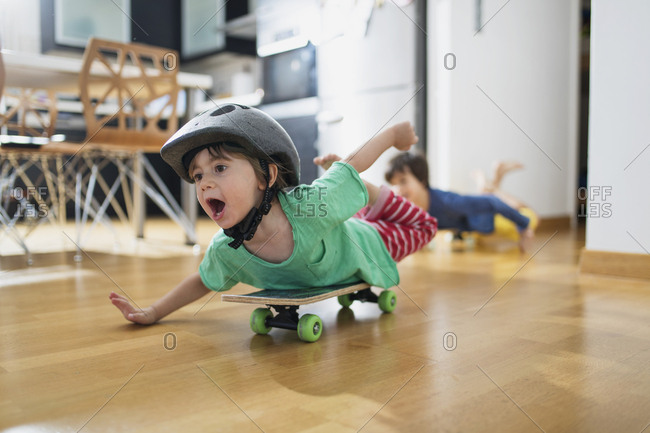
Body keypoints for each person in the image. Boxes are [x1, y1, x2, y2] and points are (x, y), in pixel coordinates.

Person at [110, 105, 437, 325]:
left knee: (425, 225)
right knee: (340, 191)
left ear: (265, 177)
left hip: (370, 243)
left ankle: (360, 190)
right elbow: (203, 280)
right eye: (197, 176)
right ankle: (349, 192)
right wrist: (153, 312)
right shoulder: (227, 251)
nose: (205, 182)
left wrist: (393, 136)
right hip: (338, 229)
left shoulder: (307, 207)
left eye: (220, 168)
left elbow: (352, 162)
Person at [384, 152, 537, 253]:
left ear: (422, 180)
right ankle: (487, 184)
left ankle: (491, 184)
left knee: (531, 216)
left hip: (490, 221)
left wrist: (524, 226)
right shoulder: (408, 209)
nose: (398, 189)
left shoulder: (448, 202)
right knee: (481, 206)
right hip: (475, 228)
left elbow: (492, 202)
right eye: (394, 183)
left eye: (403, 181)